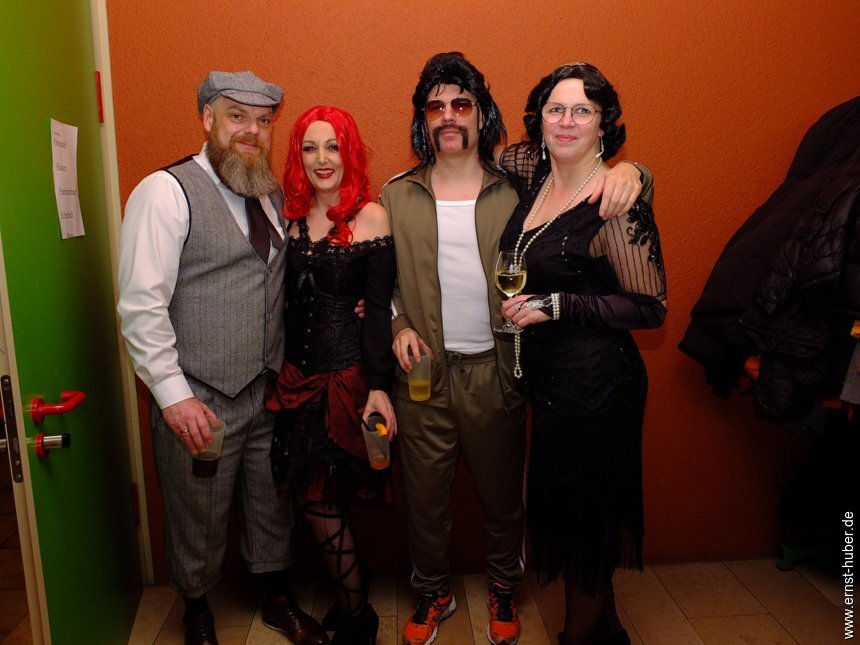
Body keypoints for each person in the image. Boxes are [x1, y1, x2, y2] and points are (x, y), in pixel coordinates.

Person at [381, 52, 648, 645]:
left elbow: (588, 162)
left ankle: (504, 586)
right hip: (423, 374)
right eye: (436, 107)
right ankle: (432, 591)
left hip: (499, 370)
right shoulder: (395, 194)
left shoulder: (517, 186)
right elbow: (385, 283)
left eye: (462, 104)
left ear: (482, 114)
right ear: (423, 120)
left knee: (506, 498)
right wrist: (398, 324)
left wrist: (636, 171)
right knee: (424, 500)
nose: (449, 116)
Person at [117, 71, 328, 645]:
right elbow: (140, 305)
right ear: (207, 118)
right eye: (237, 117)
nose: (251, 131)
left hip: (267, 391)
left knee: (270, 504)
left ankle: (277, 600)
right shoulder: (166, 192)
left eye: (263, 121)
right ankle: (197, 612)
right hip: (200, 396)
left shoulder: (271, 193)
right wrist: (173, 397)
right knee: (196, 512)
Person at [498, 62, 667, 645]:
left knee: (585, 521)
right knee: (574, 515)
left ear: (603, 124)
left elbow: (651, 308)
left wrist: (559, 305)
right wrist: (641, 169)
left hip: (598, 384)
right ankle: (609, 634)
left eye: (582, 111)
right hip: (551, 384)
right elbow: (470, 152)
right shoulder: (532, 169)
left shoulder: (614, 202)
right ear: (539, 119)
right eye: (555, 109)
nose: (566, 121)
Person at [265, 106, 397, 645]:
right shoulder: (289, 218)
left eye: (333, 146)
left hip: (347, 380)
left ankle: (357, 615)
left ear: (350, 152)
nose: (322, 158)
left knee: (320, 497)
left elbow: (379, 307)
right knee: (316, 496)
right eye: (310, 147)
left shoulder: (372, 216)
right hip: (297, 378)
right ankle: (353, 599)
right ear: (298, 156)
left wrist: (381, 387)